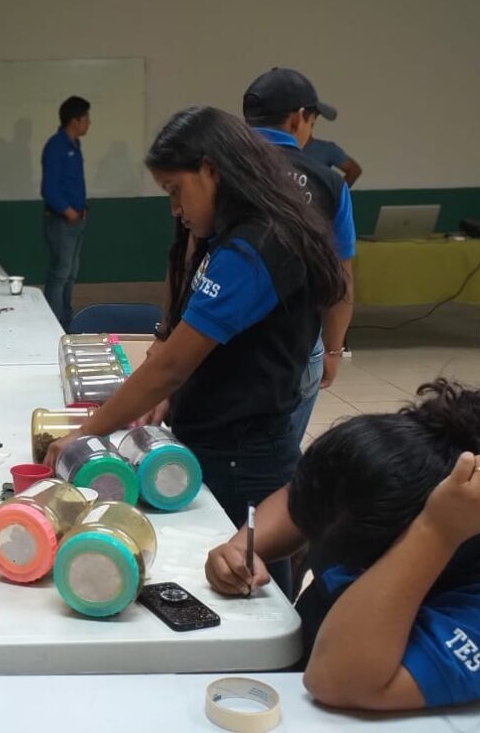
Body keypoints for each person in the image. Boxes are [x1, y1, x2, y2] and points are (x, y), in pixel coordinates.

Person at [45, 107, 346, 594]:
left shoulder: (258, 247)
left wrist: (85, 434)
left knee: (246, 587)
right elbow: (201, 352)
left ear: (211, 169)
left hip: (243, 457)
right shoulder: (233, 236)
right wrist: (173, 395)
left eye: (174, 189)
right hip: (221, 442)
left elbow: (170, 364)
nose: (174, 208)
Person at [205, 380, 480, 711]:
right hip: (302, 653)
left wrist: (435, 533)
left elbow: (337, 681)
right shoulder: (427, 460)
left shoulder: (442, 532)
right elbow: (304, 498)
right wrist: (242, 548)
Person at [242, 67, 356, 446]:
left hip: (219, 341)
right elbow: (341, 280)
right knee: (280, 459)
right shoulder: (330, 184)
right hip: (297, 345)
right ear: (297, 119)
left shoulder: (216, 170)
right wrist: (334, 348)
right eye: (312, 120)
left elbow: (188, 260)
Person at [40, 95, 91, 330]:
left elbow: (73, 183)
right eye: (86, 118)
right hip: (62, 221)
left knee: (71, 274)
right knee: (60, 273)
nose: (89, 123)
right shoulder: (56, 146)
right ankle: (53, 322)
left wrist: (82, 210)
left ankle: (65, 319)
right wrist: (68, 211)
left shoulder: (75, 145)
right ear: (74, 121)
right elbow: (48, 188)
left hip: (77, 219)